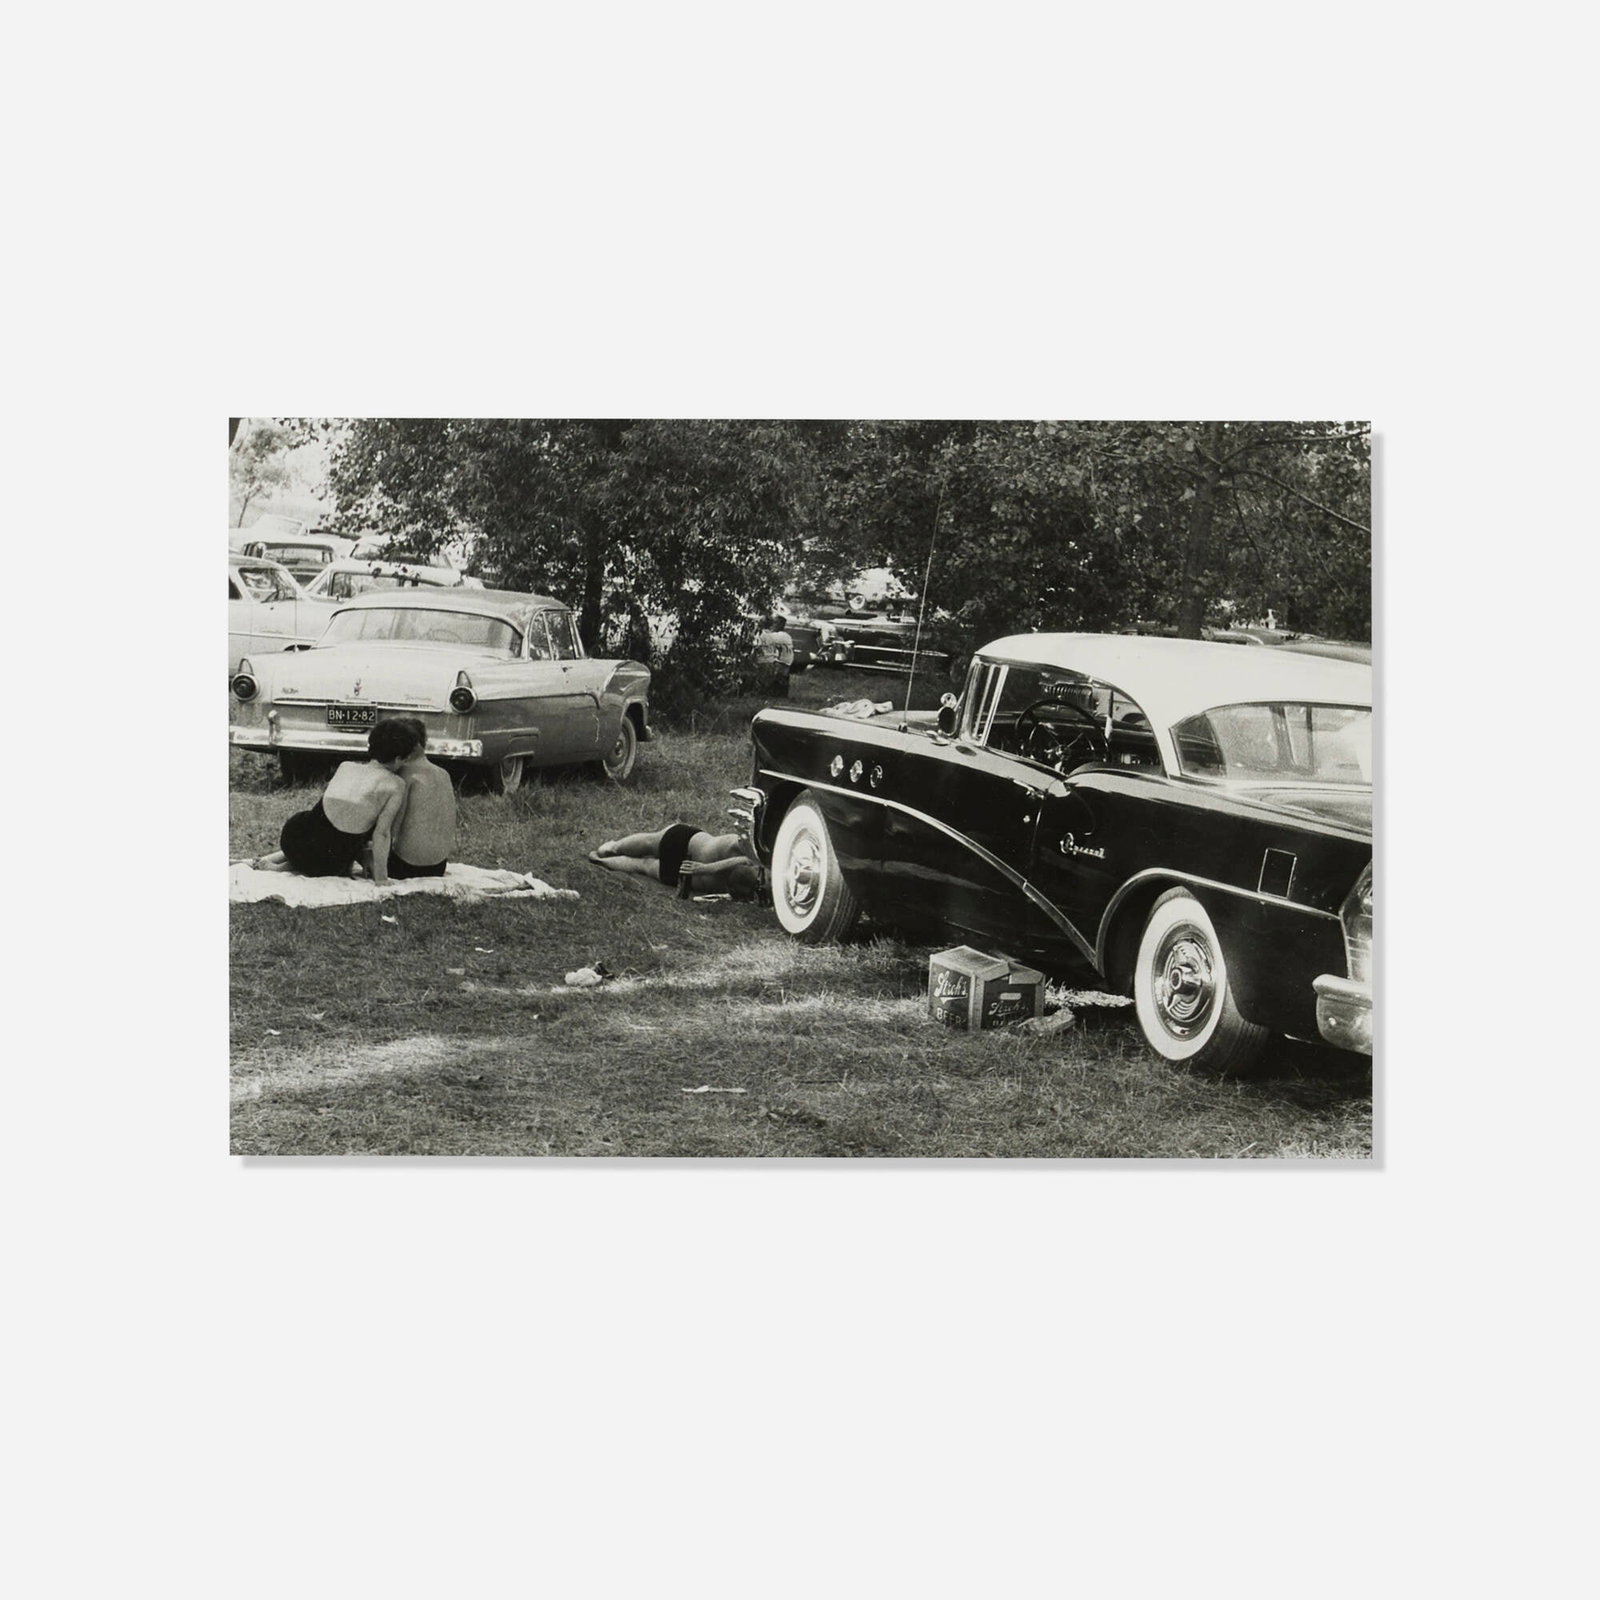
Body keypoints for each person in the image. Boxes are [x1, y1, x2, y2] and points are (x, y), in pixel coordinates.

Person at [250, 719, 416, 885]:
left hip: (294, 836)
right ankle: (286, 866)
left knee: (324, 830)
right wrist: (381, 878)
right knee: (345, 835)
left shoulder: (346, 766)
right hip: (329, 861)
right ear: (398, 759)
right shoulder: (396, 785)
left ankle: (282, 865)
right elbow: (382, 834)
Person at [588, 824, 761, 899]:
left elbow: (747, 860)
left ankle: (610, 850)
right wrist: (707, 868)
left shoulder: (751, 854)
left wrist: (707, 868)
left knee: (647, 847)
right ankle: (604, 858)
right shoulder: (754, 863)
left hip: (689, 846)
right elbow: (746, 861)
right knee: (643, 865)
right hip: (688, 866)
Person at [383, 716, 457, 879]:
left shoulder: (405, 775)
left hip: (407, 866)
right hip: (439, 865)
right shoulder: (443, 773)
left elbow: (392, 827)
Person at [755, 613, 794, 698]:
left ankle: (772, 693)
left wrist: (761, 630)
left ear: (780, 624)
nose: (772, 625)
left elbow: (767, 639)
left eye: (774, 623)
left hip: (783, 661)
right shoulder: (783, 635)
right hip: (783, 660)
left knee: (778, 677)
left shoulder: (782, 635)